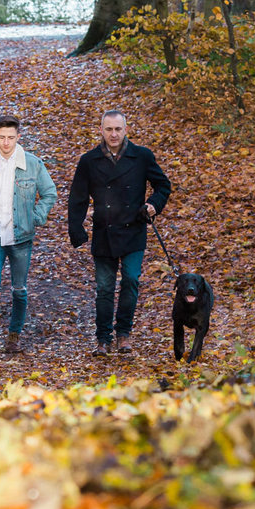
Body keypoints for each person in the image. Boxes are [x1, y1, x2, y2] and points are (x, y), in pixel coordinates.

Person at [68, 110, 171, 356]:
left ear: (126, 130)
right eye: (109, 129)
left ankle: (123, 334)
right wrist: (76, 227)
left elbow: (163, 185)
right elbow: (78, 198)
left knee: (131, 280)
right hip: (104, 232)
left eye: (118, 129)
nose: (113, 134)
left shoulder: (142, 156)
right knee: (104, 287)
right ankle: (103, 338)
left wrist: (153, 204)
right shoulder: (89, 160)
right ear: (101, 131)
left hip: (133, 229)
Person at [0, 115, 57, 360]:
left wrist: (36, 216)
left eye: (10, 137)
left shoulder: (33, 164)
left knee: (19, 289)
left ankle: (14, 335)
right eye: (1, 137)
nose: (6, 142)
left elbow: (49, 193)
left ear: (18, 137)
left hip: (21, 237)